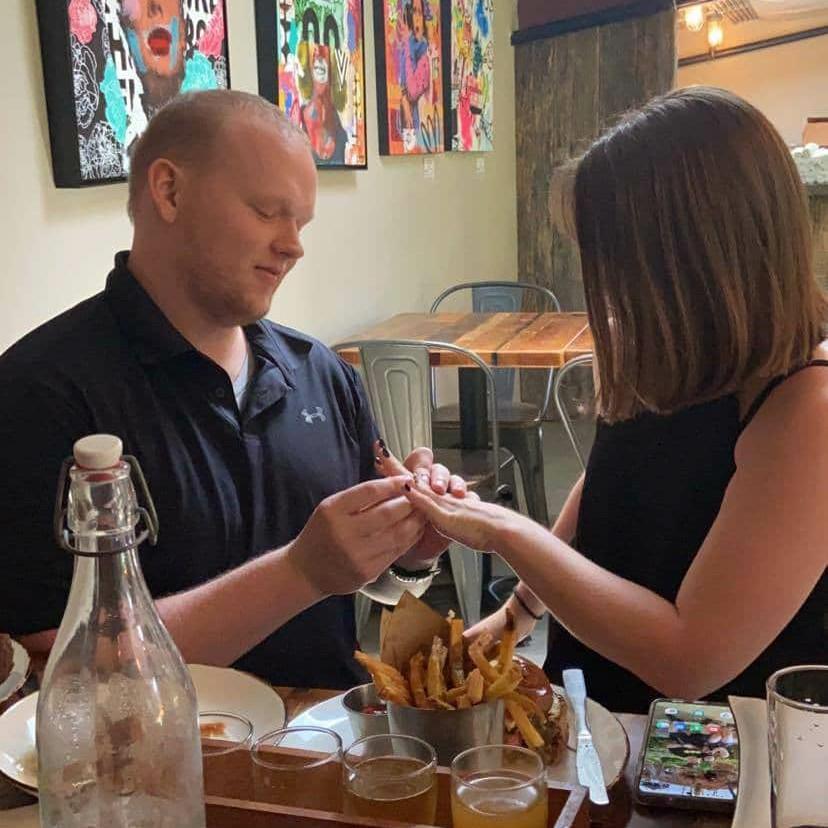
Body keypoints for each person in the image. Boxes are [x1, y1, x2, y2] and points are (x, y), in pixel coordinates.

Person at [0, 90, 461, 689]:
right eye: (268, 212)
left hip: (326, 753)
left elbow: (360, 570)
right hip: (159, 771)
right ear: (169, 191)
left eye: (301, 222)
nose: (293, 244)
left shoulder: (320, 371)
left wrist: (410, 544)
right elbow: (53, 662)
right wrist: (298, 572)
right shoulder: (39, 392)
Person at [388, 87, 828, 712]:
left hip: (709, 758)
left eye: (614, 263)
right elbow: (605, 489)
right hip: (603, 709)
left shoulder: (808, 410)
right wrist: (517, 614)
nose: (604, 289)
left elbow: (687, 658)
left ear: (690, 259)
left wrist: (502, 528)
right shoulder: (676, 352)